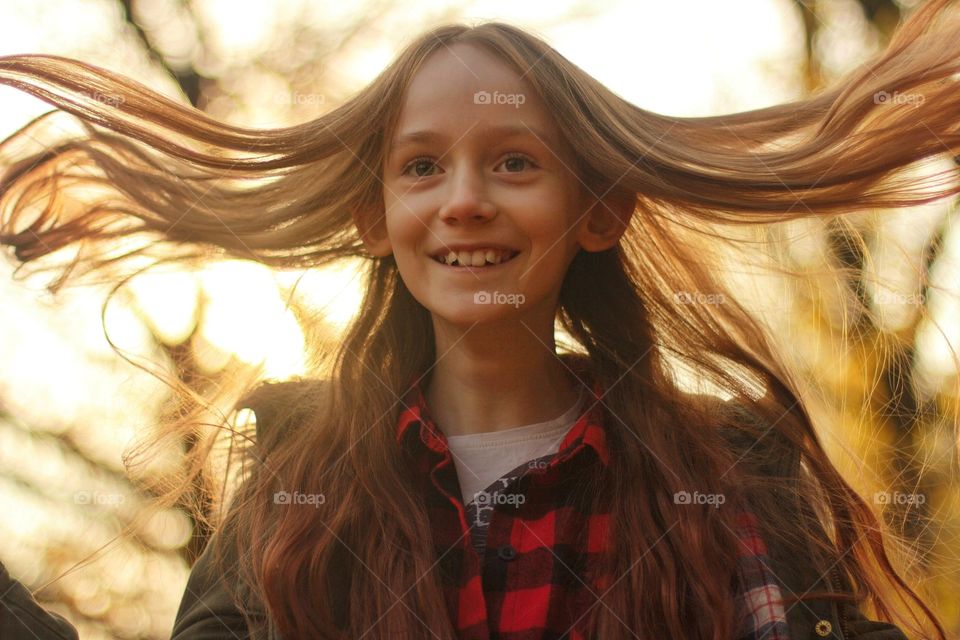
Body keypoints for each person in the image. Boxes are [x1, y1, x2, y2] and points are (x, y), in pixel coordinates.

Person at [1, 3, 958, 638]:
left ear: (599, 211)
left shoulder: (729, 476)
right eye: (421, 167)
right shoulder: (292, 492)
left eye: (514, 162)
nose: (464, 201)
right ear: (375, 218)